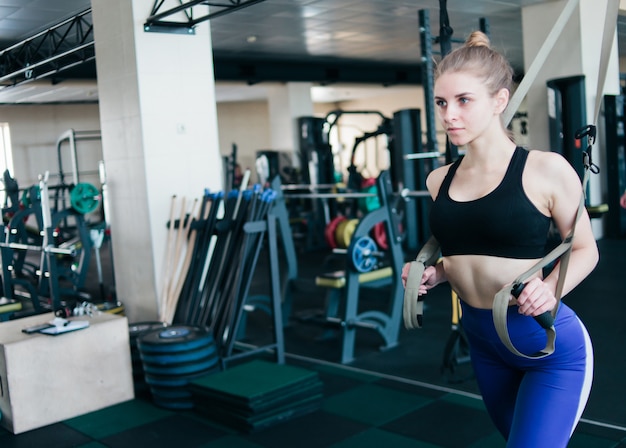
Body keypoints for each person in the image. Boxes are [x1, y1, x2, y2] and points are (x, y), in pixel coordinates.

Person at [401, 31, 598, 447]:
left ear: (499, 101)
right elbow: (463, 248)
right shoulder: (439, 179)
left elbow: (584, 248)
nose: (449, 114)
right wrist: (434, 275)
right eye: (441, 102)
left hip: (546, 346)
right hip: (485, 344)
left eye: (463, 100)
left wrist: (548, 290)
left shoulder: (546, 169)